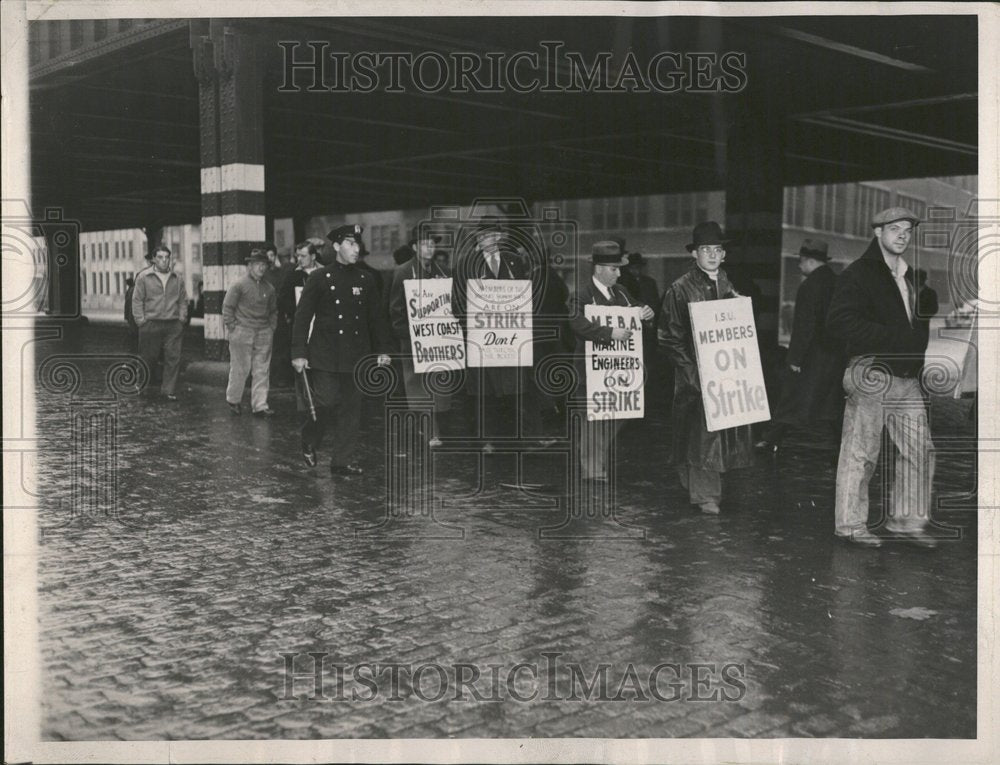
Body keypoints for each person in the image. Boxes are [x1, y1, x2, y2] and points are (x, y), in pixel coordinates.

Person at [826, 207, 936, 548]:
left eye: (907, 229)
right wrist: (893, 338)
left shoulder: (907, 276)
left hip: (905, 377)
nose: (902, 234)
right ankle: (850, 525)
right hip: (871, 371)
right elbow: (839, 322)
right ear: (877, 232)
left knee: (921, 450)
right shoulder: (859, 274)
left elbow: (913, 326)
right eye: (894, 228)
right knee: (862, 451)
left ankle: (906, 521)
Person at [658, 221, 754, 515]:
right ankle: (706, 496)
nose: (712, 255)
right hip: (696, 374)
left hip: (724, 371)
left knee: (714, 433)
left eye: (717, 249)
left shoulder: (727, 283)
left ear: (723, 255)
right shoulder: (681, 288)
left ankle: (695, 480)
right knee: (702, 433)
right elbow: (668, 336)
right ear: (695, 254)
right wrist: (692, 373)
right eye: (705, 250)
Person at [291, 224, 393, 477]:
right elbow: (302, 317)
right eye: (350, 243)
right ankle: (309, 438)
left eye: (357, 244)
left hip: (356, 355)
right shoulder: (319, 278)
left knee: (351, 410)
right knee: (324, 403)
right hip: (325, 354)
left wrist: (383, 349)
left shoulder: (365, 279)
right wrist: (298, 353)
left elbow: (376, 318)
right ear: (336, 246)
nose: (355, 249)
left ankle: (341, 462)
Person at [569, 241, 654, 481]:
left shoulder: (622, 293)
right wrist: (608, 333)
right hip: (590, 370)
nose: (619, 273)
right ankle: (592, 468)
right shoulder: (582, 295)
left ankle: (594, 457)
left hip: (616, 370)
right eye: (613, 269)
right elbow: (576, 322)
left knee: (619, 414)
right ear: (598, 269)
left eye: (619, 269)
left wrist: (646, 313)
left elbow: (638, 309)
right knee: (593, 418)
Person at [450, 217, 535, 453]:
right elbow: (456, 301)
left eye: (489, 235)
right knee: (482, 390)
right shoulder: (466, 263)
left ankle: (512, 439)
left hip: (509, 337)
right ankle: (484, 440)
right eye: (480, 236)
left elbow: (525, 296)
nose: (484, 240)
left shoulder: (514, 262)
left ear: (499, 237)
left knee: (511, 387)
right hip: (480, 337)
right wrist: (471, 324)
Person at [756, 238, 844, 452]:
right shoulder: (837, 282)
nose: (799, 265)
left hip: (812, 356)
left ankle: (771, 439)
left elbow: (804, 325)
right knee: (832, 403)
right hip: (835, 354)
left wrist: (795, 358)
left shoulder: (809, 286)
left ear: (811, 261)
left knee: (791, 396)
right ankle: (844, 442)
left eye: (801, 261)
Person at [388, 225, 453, 448]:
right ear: (415, 247)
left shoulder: (444, 271)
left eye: (433, 244)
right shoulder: (404, 271)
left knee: (436, 383)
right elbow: (396, 308)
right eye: (425, 244)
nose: (430, 248)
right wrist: (405, 335)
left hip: (438, 339)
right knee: (418, 385)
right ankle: (430, 431)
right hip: (414, 339)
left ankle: (429, 426)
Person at [222, 249, 279, 417]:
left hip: (263, 332)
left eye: (264, 265)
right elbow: (227, 308)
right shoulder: (239, 285)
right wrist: (233, 327)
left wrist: (271, 327)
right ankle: (234, 400)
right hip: (242, 331)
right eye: (258, 265)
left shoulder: (269, 288)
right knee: (240, 368)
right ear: (250, 266)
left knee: (262, 369)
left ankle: (260, 405)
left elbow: (273, 310)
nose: (262, 268)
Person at [132, 246, 187, 401]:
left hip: (173, 324)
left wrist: (182, 318)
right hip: (151, 323)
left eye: (167, 257)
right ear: (154, 259)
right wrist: (141, 321)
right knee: (148, 357)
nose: (164, 260)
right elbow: (137, 300)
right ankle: (141, 385)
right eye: (160, 257)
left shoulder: (177, 278)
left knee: (173, 358)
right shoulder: (144, 277)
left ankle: (168, 390)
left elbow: (183, 300)